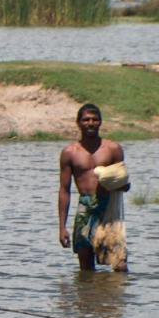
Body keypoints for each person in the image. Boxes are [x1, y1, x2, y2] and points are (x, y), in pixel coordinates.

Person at [58, 103, 129, 272]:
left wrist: (120, 183)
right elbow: (64, 190)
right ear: (78, 123)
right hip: (85, 208)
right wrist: (62, 227)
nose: (91, 123)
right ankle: (89, 297)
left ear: (101, 122)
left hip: (110, 207)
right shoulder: (70, 152)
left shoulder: (113, 149)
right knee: (86, 266)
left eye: (95, 119)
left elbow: (124, 183)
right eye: (86, 119)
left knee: (120, 264)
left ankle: (114, 297)